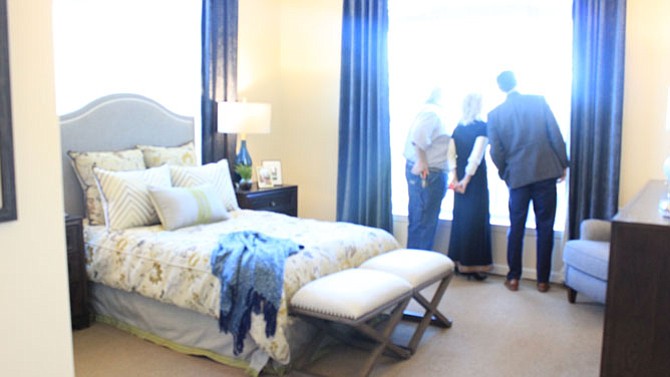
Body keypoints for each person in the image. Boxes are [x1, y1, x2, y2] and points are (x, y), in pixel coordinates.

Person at [487, 71, 568, 293]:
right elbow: (556, 135)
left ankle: (513, 278)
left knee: (517, 226)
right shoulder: (538, 101)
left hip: (518, 177)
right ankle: (543, 281)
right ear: (516, 82)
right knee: (546, 226)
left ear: (500, 87)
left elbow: (496, 152)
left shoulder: (495, 115)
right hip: (545, 172)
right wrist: (563, 164)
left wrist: (507, 173)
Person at [447, 93, 492, 281]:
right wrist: (466, 180)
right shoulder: (482, 127)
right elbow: (477, 155)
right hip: (475, 179)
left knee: (461, 218)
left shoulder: (457, 128)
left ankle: (459, 262)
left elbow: (451, 155)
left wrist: (455, 178)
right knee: (476, 220)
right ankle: (475, 265)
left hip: (459, 180)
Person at [404, 87, 451, 251]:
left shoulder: (430, 112)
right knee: (423, 223)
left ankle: (417, 267)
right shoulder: (432, 113)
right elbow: (418, 136)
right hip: (428, 173)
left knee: (421, 221)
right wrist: (422, 161)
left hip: (431, 172)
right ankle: (419, 269)